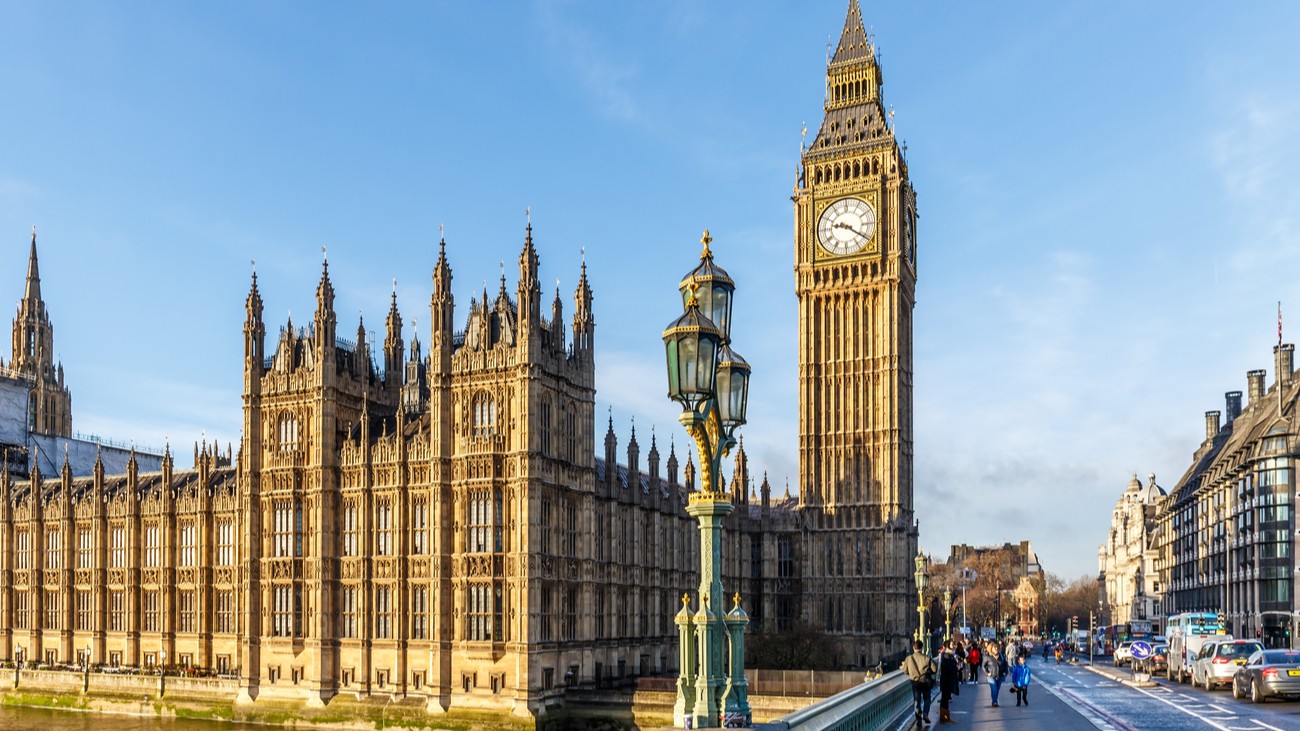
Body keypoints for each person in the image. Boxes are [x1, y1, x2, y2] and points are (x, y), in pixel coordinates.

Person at [901, 640, 937, 725]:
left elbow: (905, 671)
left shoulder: (908, 659)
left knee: (917, 700)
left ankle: (919, 718)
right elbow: (935, 669)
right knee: (927, 698)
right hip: (925, 682)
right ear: (922, 648)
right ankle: (925, 714)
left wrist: (912, 673)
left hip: (915, 682)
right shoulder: (927, 658)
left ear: (913, 647)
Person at [938, 640, 961, 724]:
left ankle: (945, 716)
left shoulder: (950, 655)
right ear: (948, 645)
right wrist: (955, 667)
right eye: (952, 644)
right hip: (947, 679)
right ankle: (944, 717)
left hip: (949, 679)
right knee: (945, 698)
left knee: (946, 698)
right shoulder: (946, 655)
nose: (954, 645)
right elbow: (948, 667)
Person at [982, 643, 1007, 707]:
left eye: (996, 647)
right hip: (991, 676)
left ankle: (994, 700)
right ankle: (994, 702)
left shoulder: (1001, 656)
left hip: (1000, 675)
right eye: (994, 647)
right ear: (991, 649)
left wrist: (1005, 672)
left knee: (997, 689)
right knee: (994, 688)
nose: (996, 649)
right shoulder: (988, 656)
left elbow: (1005, 664)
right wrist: (987, 672)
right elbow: (983, 666)